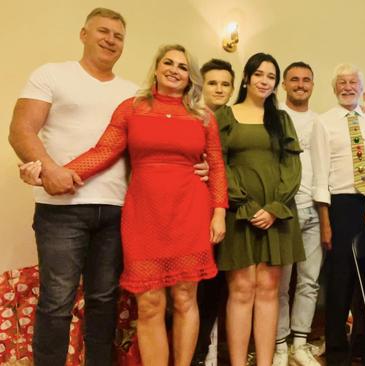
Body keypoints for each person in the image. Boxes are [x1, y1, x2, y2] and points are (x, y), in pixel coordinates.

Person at [40, 44, 227, 366]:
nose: (174, 69)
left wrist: (219, 212)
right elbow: (103, 151)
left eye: (182, 66)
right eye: (168, 62)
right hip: (144, 214)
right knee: (150, 301)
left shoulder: (203, 116)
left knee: (185, 298)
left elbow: (217, 166)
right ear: (156, 67)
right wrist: (57, 174)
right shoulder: (132, 108)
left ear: (189, 77)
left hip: (190, 213)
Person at [8, 8, 137, 365]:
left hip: (116, 210)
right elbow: (21, 130)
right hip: (61, 210)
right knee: (57, 299)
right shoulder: (51, 74)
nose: (110, 40)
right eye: (103, 31)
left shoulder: (133, 93)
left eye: (118, 36)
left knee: (104, 299)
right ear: (84, 34)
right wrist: (48, 170)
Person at [216, 52, 305, 366]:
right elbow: (218, 163)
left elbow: (291, 166)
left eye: (270, 76)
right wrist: (246, 204)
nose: (265, 81)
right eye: (259, 74)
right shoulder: (226, 115)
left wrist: (275, 207)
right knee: (241, 289)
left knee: (268, 289)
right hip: (238, 212)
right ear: (246, 78)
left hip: (276, 214)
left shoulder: (281, 119)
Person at [318, 63, 365, 365]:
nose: (348, 87)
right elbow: (321, 175)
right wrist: (325, 222)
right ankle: (336, 350)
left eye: (353, 83)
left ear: (361, 88)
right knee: (341, 278)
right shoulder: (324, 122)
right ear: (335, 88)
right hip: (343, 204)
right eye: (342, 83)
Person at [273, 61, 328, 366]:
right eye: (294, 79)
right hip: (285, 211)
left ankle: (300, 343)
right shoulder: (276, 118)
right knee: (281, 284)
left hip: (312, 210)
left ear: (312, 85)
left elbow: (323, 170)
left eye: (306, 80)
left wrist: (324, 214)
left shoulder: (319, 122)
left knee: (309, 282)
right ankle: (279, 345)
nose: (300, 84)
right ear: (284, 84)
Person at [193, 57, 236, 365]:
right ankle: (192, 354)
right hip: (194, 210)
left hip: (230, 213)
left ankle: (211, 355)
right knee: (192, 290)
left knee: (217, 289)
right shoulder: (193, 117)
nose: (219, 89)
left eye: (225, 84)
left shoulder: (237, 120)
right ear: (201, 85)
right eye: (213, 83)